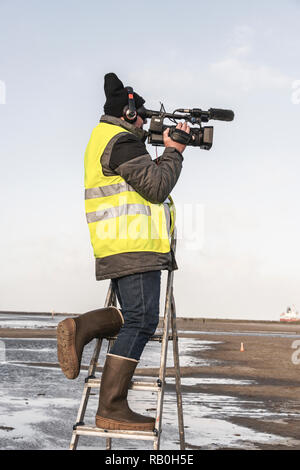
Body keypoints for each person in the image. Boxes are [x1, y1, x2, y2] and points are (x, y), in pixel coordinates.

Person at [57, 73, 189, 432]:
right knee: (143, 320)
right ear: (128, 112)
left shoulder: (105, 139)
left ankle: (80, 327)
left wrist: (163, 152)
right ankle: (112, 406)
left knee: (132, 315)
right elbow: (157, 186)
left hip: (119, 245)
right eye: (142, 116)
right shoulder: (121, 142)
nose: (145, 122)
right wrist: (174, 153)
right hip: (135, 247)